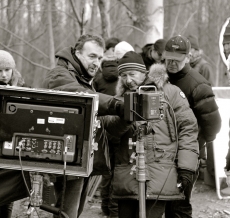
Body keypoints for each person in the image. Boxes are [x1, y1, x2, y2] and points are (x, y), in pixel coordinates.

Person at [102, 51, 199, 218]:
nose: (128, 80)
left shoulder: (170, 93)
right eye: (123, 75)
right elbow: (111, 130)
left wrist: (186, 167)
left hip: (160, 173)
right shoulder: (119, 100)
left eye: (132, 74)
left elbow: (188, 129)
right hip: (128, 176)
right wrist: (127, 116)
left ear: (144, 73)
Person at [42, 34, 125, 218]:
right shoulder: (59, 75)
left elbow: (104, 123)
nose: (97, 62)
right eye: (92, 56)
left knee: (73, 213)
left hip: (80, 159)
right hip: (65, 158)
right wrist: (117, 104)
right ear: (77, 53)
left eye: (100, 58)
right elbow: (82, 98)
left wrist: (128, 116)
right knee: (67, 214)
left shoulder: (84, 79)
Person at [163, 35, 221, 218]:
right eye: (168, 58)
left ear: (188, 57)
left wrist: (197, 146)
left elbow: (213, 123)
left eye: (177, 59)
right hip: (162, 153)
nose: (171, 63)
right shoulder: (158, 79)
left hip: (186, 154)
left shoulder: (198, 84)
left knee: (179, 205)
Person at [93, 40, 134, 218]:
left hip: (104, 128)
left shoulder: (98, 75)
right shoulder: (128, 77)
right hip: (123, 128)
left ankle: (106, 208)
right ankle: (115, 211)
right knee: (121, 174)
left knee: (107, 172)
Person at [0, 50, 30, 218]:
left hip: (12, 147)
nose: (4, 75)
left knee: (8, 195)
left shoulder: (22, 88)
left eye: (7, 70)